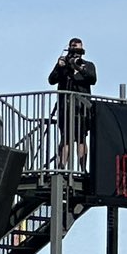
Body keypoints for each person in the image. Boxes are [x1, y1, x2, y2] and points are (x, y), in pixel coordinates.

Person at [48, 38, 96, 171]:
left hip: (82, 109)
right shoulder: (64, 67)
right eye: (73, 49)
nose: (75, 53)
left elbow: (92, 79)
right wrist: (59, 66)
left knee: (81, 139)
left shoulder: (87, 65)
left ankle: (83, 168)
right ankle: (61, 167)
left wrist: (79, 67)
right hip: (66, 108)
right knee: (65, 139)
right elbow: (51, 80)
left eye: (78, 49)